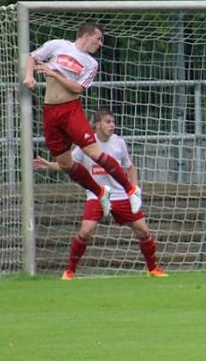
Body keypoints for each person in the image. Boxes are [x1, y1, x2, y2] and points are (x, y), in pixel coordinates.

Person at [23, 22, 141, 219]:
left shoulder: (91, 64)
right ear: (87, 34)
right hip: (50, 112)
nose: (100, 44)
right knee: (66, 164)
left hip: (71, 111)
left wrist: (55, 74)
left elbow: (77, 88)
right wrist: (29, 76)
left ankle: (130, 190)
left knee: (94, 152)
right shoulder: (57, 45)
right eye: (98, 38)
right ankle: (100, 192)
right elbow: (32, 57)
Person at [33, 109, 167, 280]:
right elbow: (68, 165)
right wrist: (49, 165)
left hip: (120, 195)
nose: (112, 125)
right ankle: (70, 271)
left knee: (143, 231)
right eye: (108, 122)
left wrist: (134, 189)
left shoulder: (119, 142)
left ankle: (153, 269)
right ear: (97, 125)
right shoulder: (86, 145)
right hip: (97, 195)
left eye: (113, 122)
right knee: (86, 231)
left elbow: (130, 167)